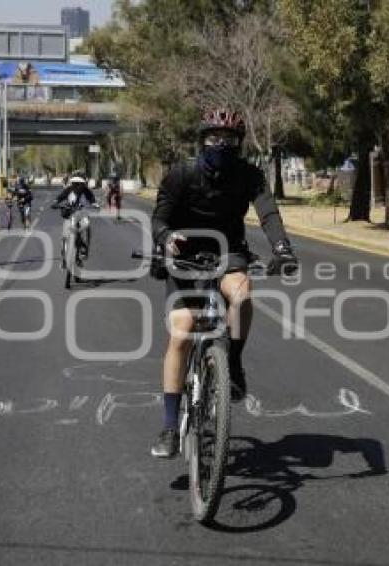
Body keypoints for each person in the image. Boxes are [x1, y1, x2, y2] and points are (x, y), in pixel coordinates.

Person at [149, 108, 299, 459]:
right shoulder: (181, 175)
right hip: (183, 253)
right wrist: (166, 237)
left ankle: (233, 362)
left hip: (228, 250)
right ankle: (170, 427)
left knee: (243, 293)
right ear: (203, 141)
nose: (222, 144)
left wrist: (281, 247)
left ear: (239, 143)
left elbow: (268, 213)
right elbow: (159, 216)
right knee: (183, 330)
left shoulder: (250, 175)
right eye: (214, 138)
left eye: (229, 139)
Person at [52, 175, 98, 259]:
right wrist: (56, 202)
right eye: (74, 184)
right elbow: (61, 197)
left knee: (84, 226)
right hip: (70, 212)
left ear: (82, 184)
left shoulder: (86, 191)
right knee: (67, 228)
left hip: (82, 213)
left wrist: (94, 204)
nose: (76, 186)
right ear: (72, 184)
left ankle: (83, 247)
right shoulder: (69, 190)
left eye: (79, 184)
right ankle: (64, 242)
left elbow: (92, 199)